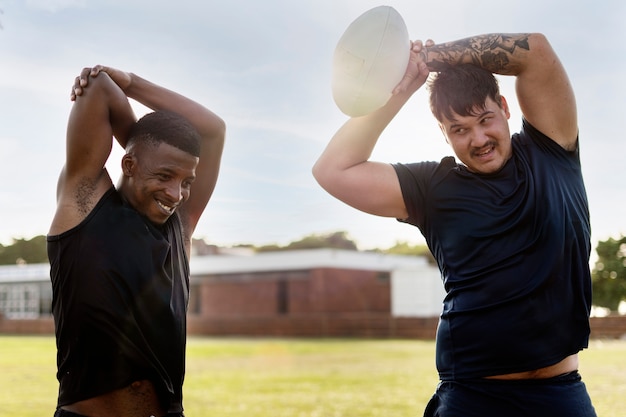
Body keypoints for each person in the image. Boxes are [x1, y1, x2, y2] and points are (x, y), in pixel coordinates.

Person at [313, 33, 596, 416]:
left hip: (560, 395)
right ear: (443, 135)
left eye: (484, 119)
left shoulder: (552, 150)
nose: (479, 139)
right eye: (459, 129)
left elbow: (537, 50)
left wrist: (431, 57)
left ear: (504, 107)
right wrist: (404, 86)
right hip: (473, 398)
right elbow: (333, 170)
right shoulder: (433, 189)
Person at [47, 65, 225, 417]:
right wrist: (146, 141)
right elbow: (99, 88)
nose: (176, 194)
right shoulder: (83, 205)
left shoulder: (180, 228)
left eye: (186, 181)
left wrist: (132, 85)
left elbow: (214, 131)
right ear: (128, 164)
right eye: (164, 175)